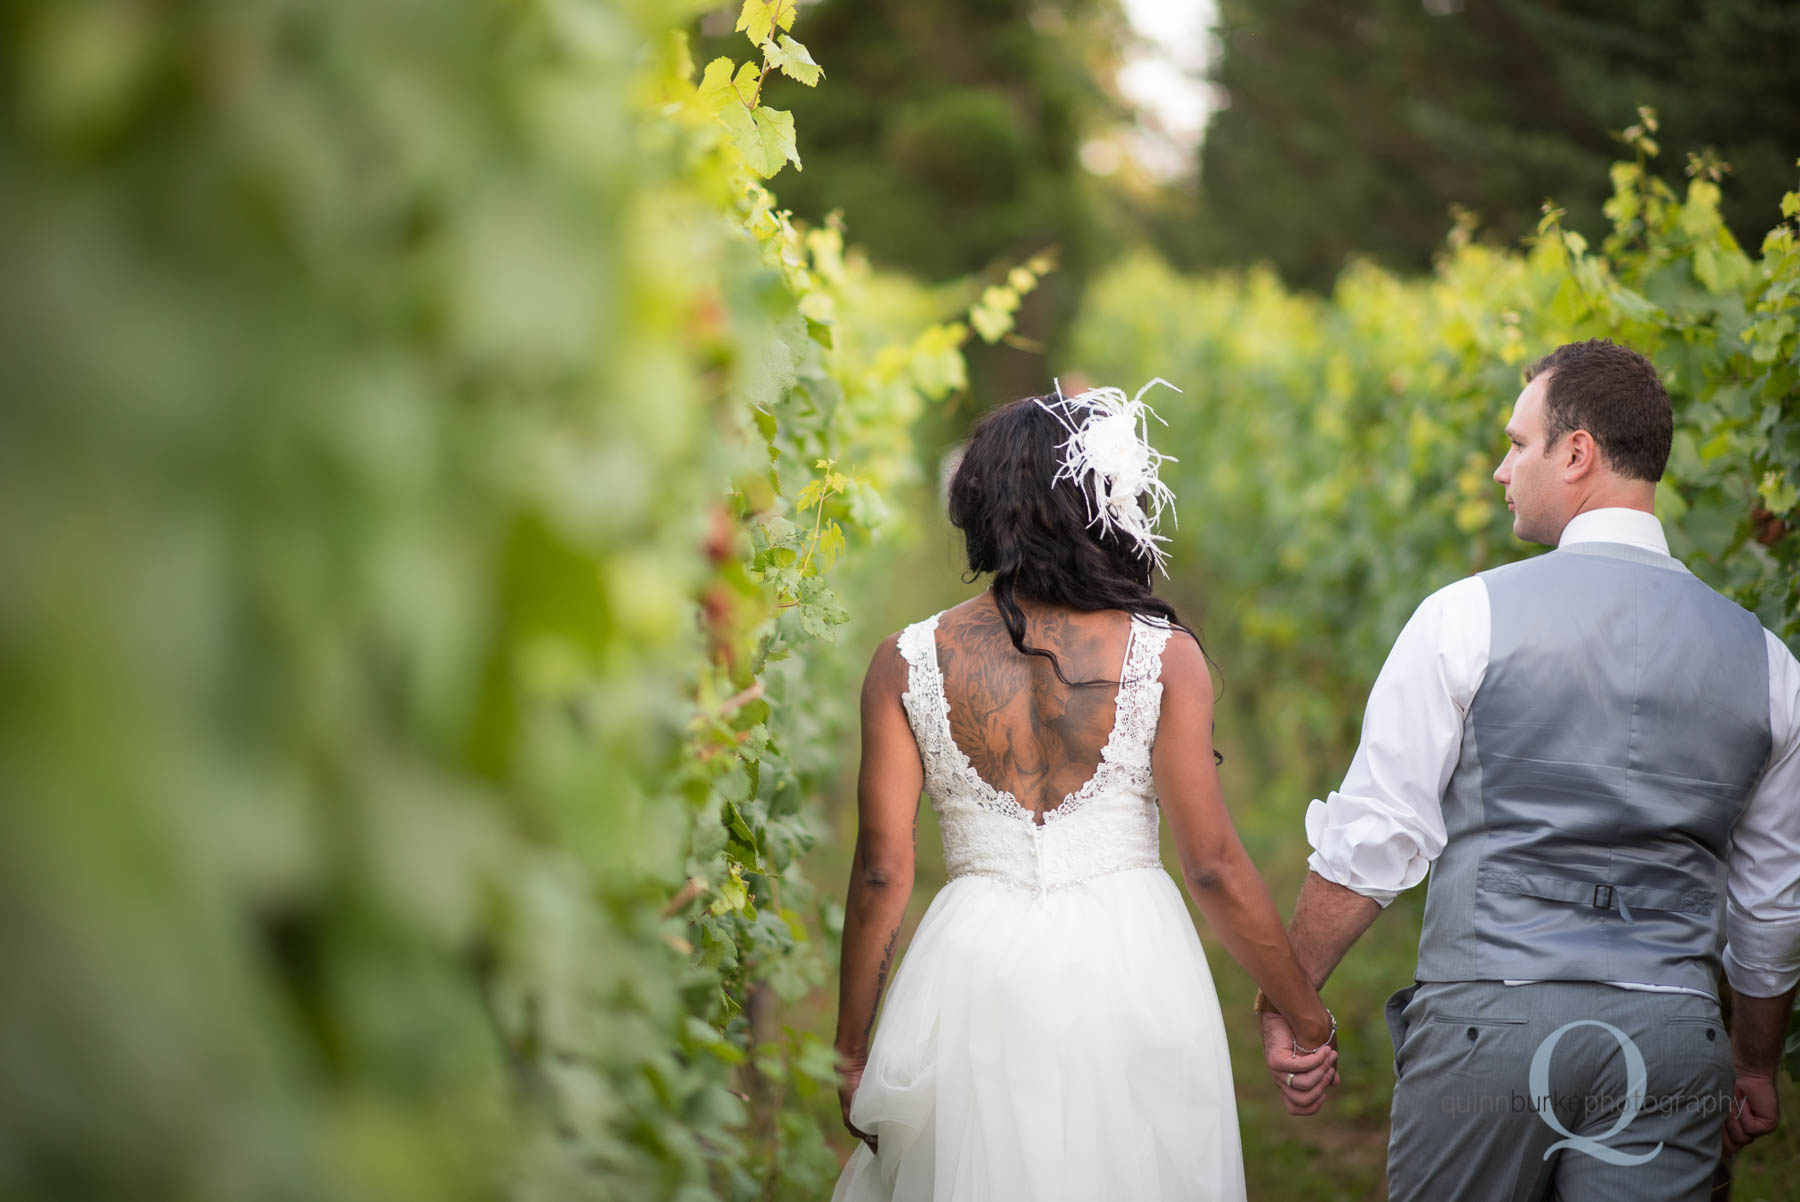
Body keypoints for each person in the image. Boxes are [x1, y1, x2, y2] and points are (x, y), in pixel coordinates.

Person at [1259, 339, 1800, 1200]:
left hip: (1490, 1032)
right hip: (1670, 1043)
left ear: (1577, 452)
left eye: (1518, 444)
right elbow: (1769, 906)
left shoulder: (1465, 619)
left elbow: (1378, 838)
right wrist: (1754, 1063)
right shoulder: (1768, 664)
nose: (1502, 470)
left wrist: (1291, 995)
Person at [830, 382, 1336, 1202]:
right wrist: (1304, 1017)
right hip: (1132, 959)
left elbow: (882, 872)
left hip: (971, 964)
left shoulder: (905, 660)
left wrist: (852, 1048)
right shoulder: (1164, 656)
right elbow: (1210, 864)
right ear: (1107, 504)